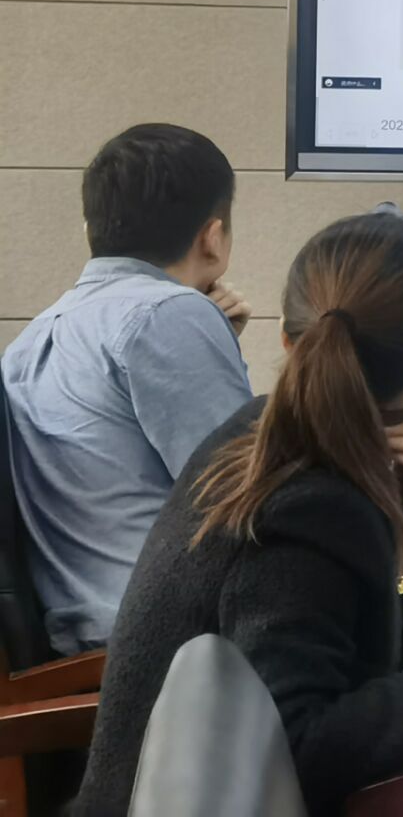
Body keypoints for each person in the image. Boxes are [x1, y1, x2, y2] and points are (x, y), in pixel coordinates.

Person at [71, 212, 403, 816]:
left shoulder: (275, 430)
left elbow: (397, 632)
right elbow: (296, 752)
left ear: (290, 341)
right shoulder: (304, 509)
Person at [1, 124, 255, 655]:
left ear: (90, 227)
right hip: (170, 652)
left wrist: (215, 341)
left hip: (84, 648)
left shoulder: (32, 340)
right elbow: (253, 501)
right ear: (212, 236)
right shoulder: (169, 314)